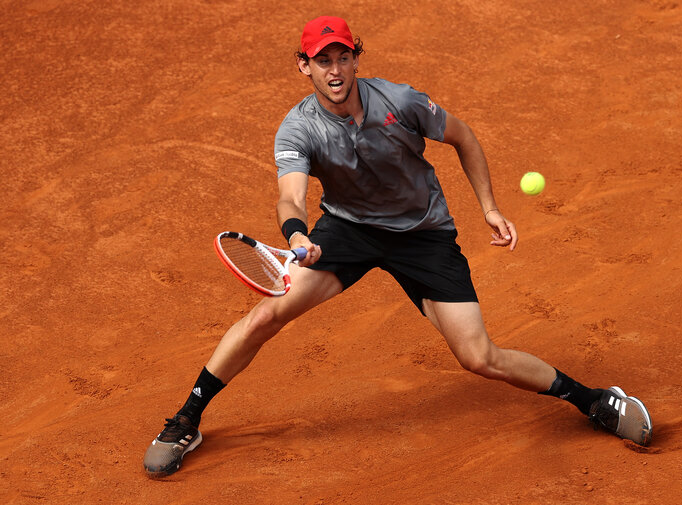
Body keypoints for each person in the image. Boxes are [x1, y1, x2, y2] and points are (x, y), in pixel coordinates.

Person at [143, 15, 652, 478]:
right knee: (264, 317)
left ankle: (594, 400)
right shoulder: (298, 127)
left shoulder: (401, 102)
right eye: (323, 61)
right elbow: (290, 194)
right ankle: (187, 418)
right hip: (349, 230)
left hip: (423, 235)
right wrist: (297, 235)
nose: (335, 70)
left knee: (478, 357)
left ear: (356, 58)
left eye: (343, 57)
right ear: (305, 68)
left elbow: (464, 138)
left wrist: (489, 208)